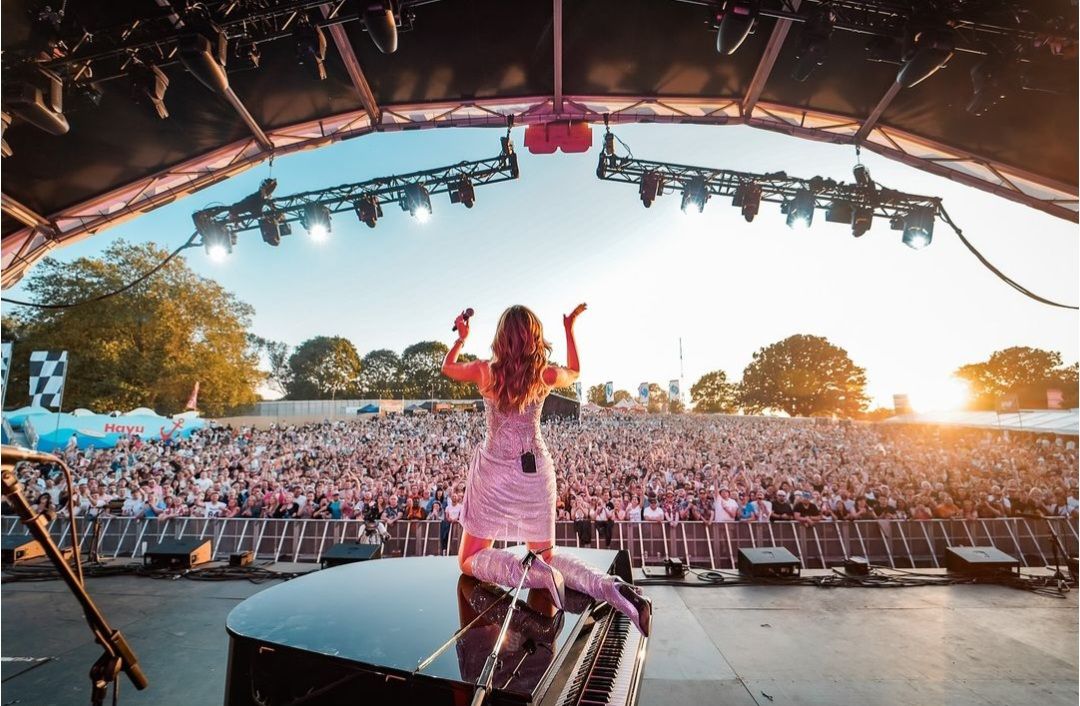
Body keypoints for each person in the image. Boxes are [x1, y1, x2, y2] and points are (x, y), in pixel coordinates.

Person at [442, 303, 650, 636]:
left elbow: (448, 367)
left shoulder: (484, 371)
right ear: (535, 338)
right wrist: (569, 329)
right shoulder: (544, 374)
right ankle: (613, 588)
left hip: (494, 474)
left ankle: (535, 574)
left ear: (501, 337)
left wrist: (461, 337)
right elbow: (575, 370)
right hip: (535, 473)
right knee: (546, 555)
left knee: (469, 559)